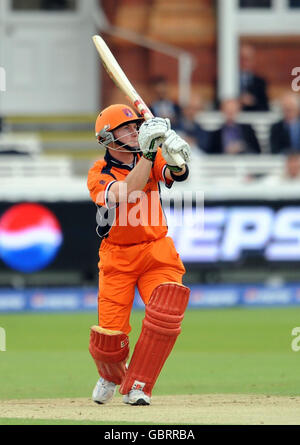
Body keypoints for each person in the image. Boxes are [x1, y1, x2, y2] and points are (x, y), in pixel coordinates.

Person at [87, 104, 191, 406]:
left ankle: (140, 385)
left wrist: (175, 153)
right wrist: (148, 154)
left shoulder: (152, 155)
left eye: (136, 126)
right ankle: (111, 374)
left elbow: (178, 174)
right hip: (117, 258)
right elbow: (128, 192)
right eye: (126, 128)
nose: (134, 131)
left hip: (156, 250)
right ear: (108, 138)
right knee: (109, 339)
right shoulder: (98, 173)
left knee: (167, 310)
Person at [239, 44, 269, 112]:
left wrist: (252, 102)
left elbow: (265, 108)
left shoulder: (260, 83)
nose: (244, 62)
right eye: (241, 59)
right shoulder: (227, 82)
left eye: (247, 59)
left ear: (253, 61)